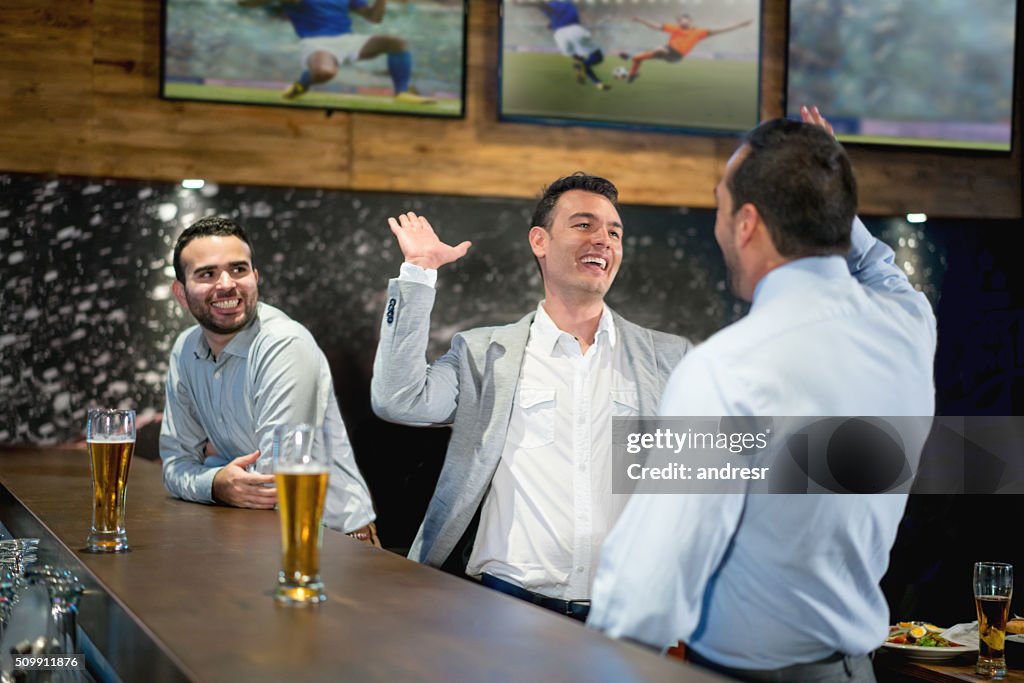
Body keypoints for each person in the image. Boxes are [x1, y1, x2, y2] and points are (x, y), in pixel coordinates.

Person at [587, 107, 938, 682]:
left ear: (746, 223)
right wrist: (821, 180)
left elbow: (648, 585)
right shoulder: (907, 324)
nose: (719, 223)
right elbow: (880, 267)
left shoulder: (726, 371)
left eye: (722, 206)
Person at [371, 174, 691, 620]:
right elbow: (398, 398)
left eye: (614, 232)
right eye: (584, 225)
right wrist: (419, 272)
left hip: (626, 613)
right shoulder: (484, 354)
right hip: (503, 608)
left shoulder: (671, 359)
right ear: (540, 241)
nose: (603, 239)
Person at [160, 216, 380, 544]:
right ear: (181, 293)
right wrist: (216, 482)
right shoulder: (185, 349)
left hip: (331, 540)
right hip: (254, 534)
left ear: (255, 277)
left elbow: (273, 482)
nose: (226, 284)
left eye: (238, 269)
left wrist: (211, 473)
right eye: (207, 273)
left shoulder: (283, 344)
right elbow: (175, 464)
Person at [238, 0, 434, 104]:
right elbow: (243, 3)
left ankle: (401, 92)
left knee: (397, 43)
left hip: (347, 39)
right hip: (316, 43)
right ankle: (302, 84)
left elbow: (374, 18)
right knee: (325, 73)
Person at [620, 14, 752, 83]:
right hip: (666, 50)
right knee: (638, 59)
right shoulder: (674, 28)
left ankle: (631, 55)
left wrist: (740, 25)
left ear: (691, 21)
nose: (683, 22)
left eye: (685, 20)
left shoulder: (699, 32)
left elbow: (721, 30)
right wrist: (640, 20)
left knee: (660, 49)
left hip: (676, 56)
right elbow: (655, 26)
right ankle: (632, 74)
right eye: (681, 20)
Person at [516, 0, 611, 91]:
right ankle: (584, 65)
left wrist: (550, 24)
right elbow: (540, 4)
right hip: (574, 30)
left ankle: (598, 83)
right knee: (597, 57)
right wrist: (522, 4)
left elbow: (547, 11)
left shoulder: (552, 5)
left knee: (577, 57)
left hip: (559, 36)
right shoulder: (566, 3)